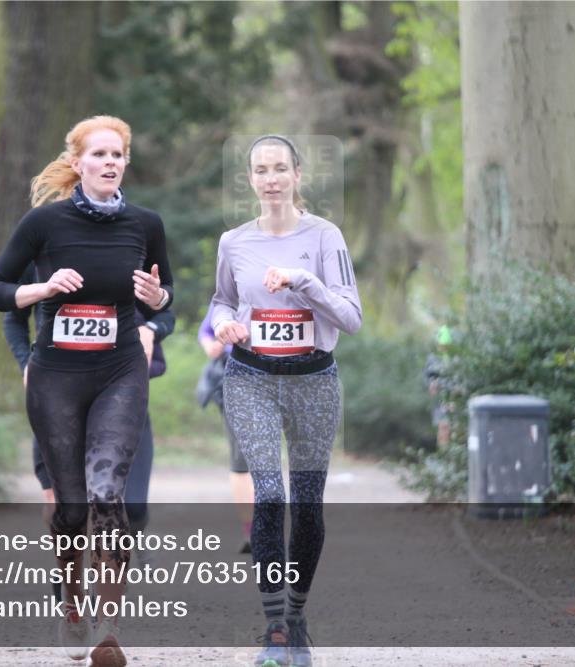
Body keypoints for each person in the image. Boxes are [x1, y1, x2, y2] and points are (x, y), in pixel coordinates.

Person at [0, 116, 172, 666]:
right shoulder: (44, 224)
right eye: (100, 155)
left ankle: (108, 629)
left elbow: (169, 297)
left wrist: (156, 298)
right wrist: (41, 288)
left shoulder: (145, 223)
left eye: (118, 155)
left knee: (108, 492)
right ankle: (71, 601)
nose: (110, 163)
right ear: (79, 162)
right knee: (69, 508)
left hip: (120, 371)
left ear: (125, 162)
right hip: (56, 375)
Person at [211, 135, 362, 667]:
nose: (270, 178)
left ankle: (297, 617)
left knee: (307, 505)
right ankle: (274, 628)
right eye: (260, 170)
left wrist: (304, 282)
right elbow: (222, 300)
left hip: (314, 381)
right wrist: (225, 324)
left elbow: (351, 316)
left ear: (298, 174)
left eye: (280, 168)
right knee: (269, 495)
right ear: (250, 179)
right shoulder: (234, 241)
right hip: (250, 377)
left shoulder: (325, 237)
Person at [3, 264, 176, 556]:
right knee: (64, 507)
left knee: (131, 509)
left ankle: (111, 572)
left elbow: (164, 310)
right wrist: (26, 363)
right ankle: (67, 589)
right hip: (56, 398)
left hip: (119, 394)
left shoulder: (124, 245)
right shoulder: (38, 249)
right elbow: (13, 317)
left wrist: (150, 330)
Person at [197, 305, 254, 554]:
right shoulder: (231, 286)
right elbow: (206, 331)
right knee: (241, 460)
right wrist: (211, 345)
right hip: (234, 379)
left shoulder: (291, 280)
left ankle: (273, 526)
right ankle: (252, 531)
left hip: (281, 376)